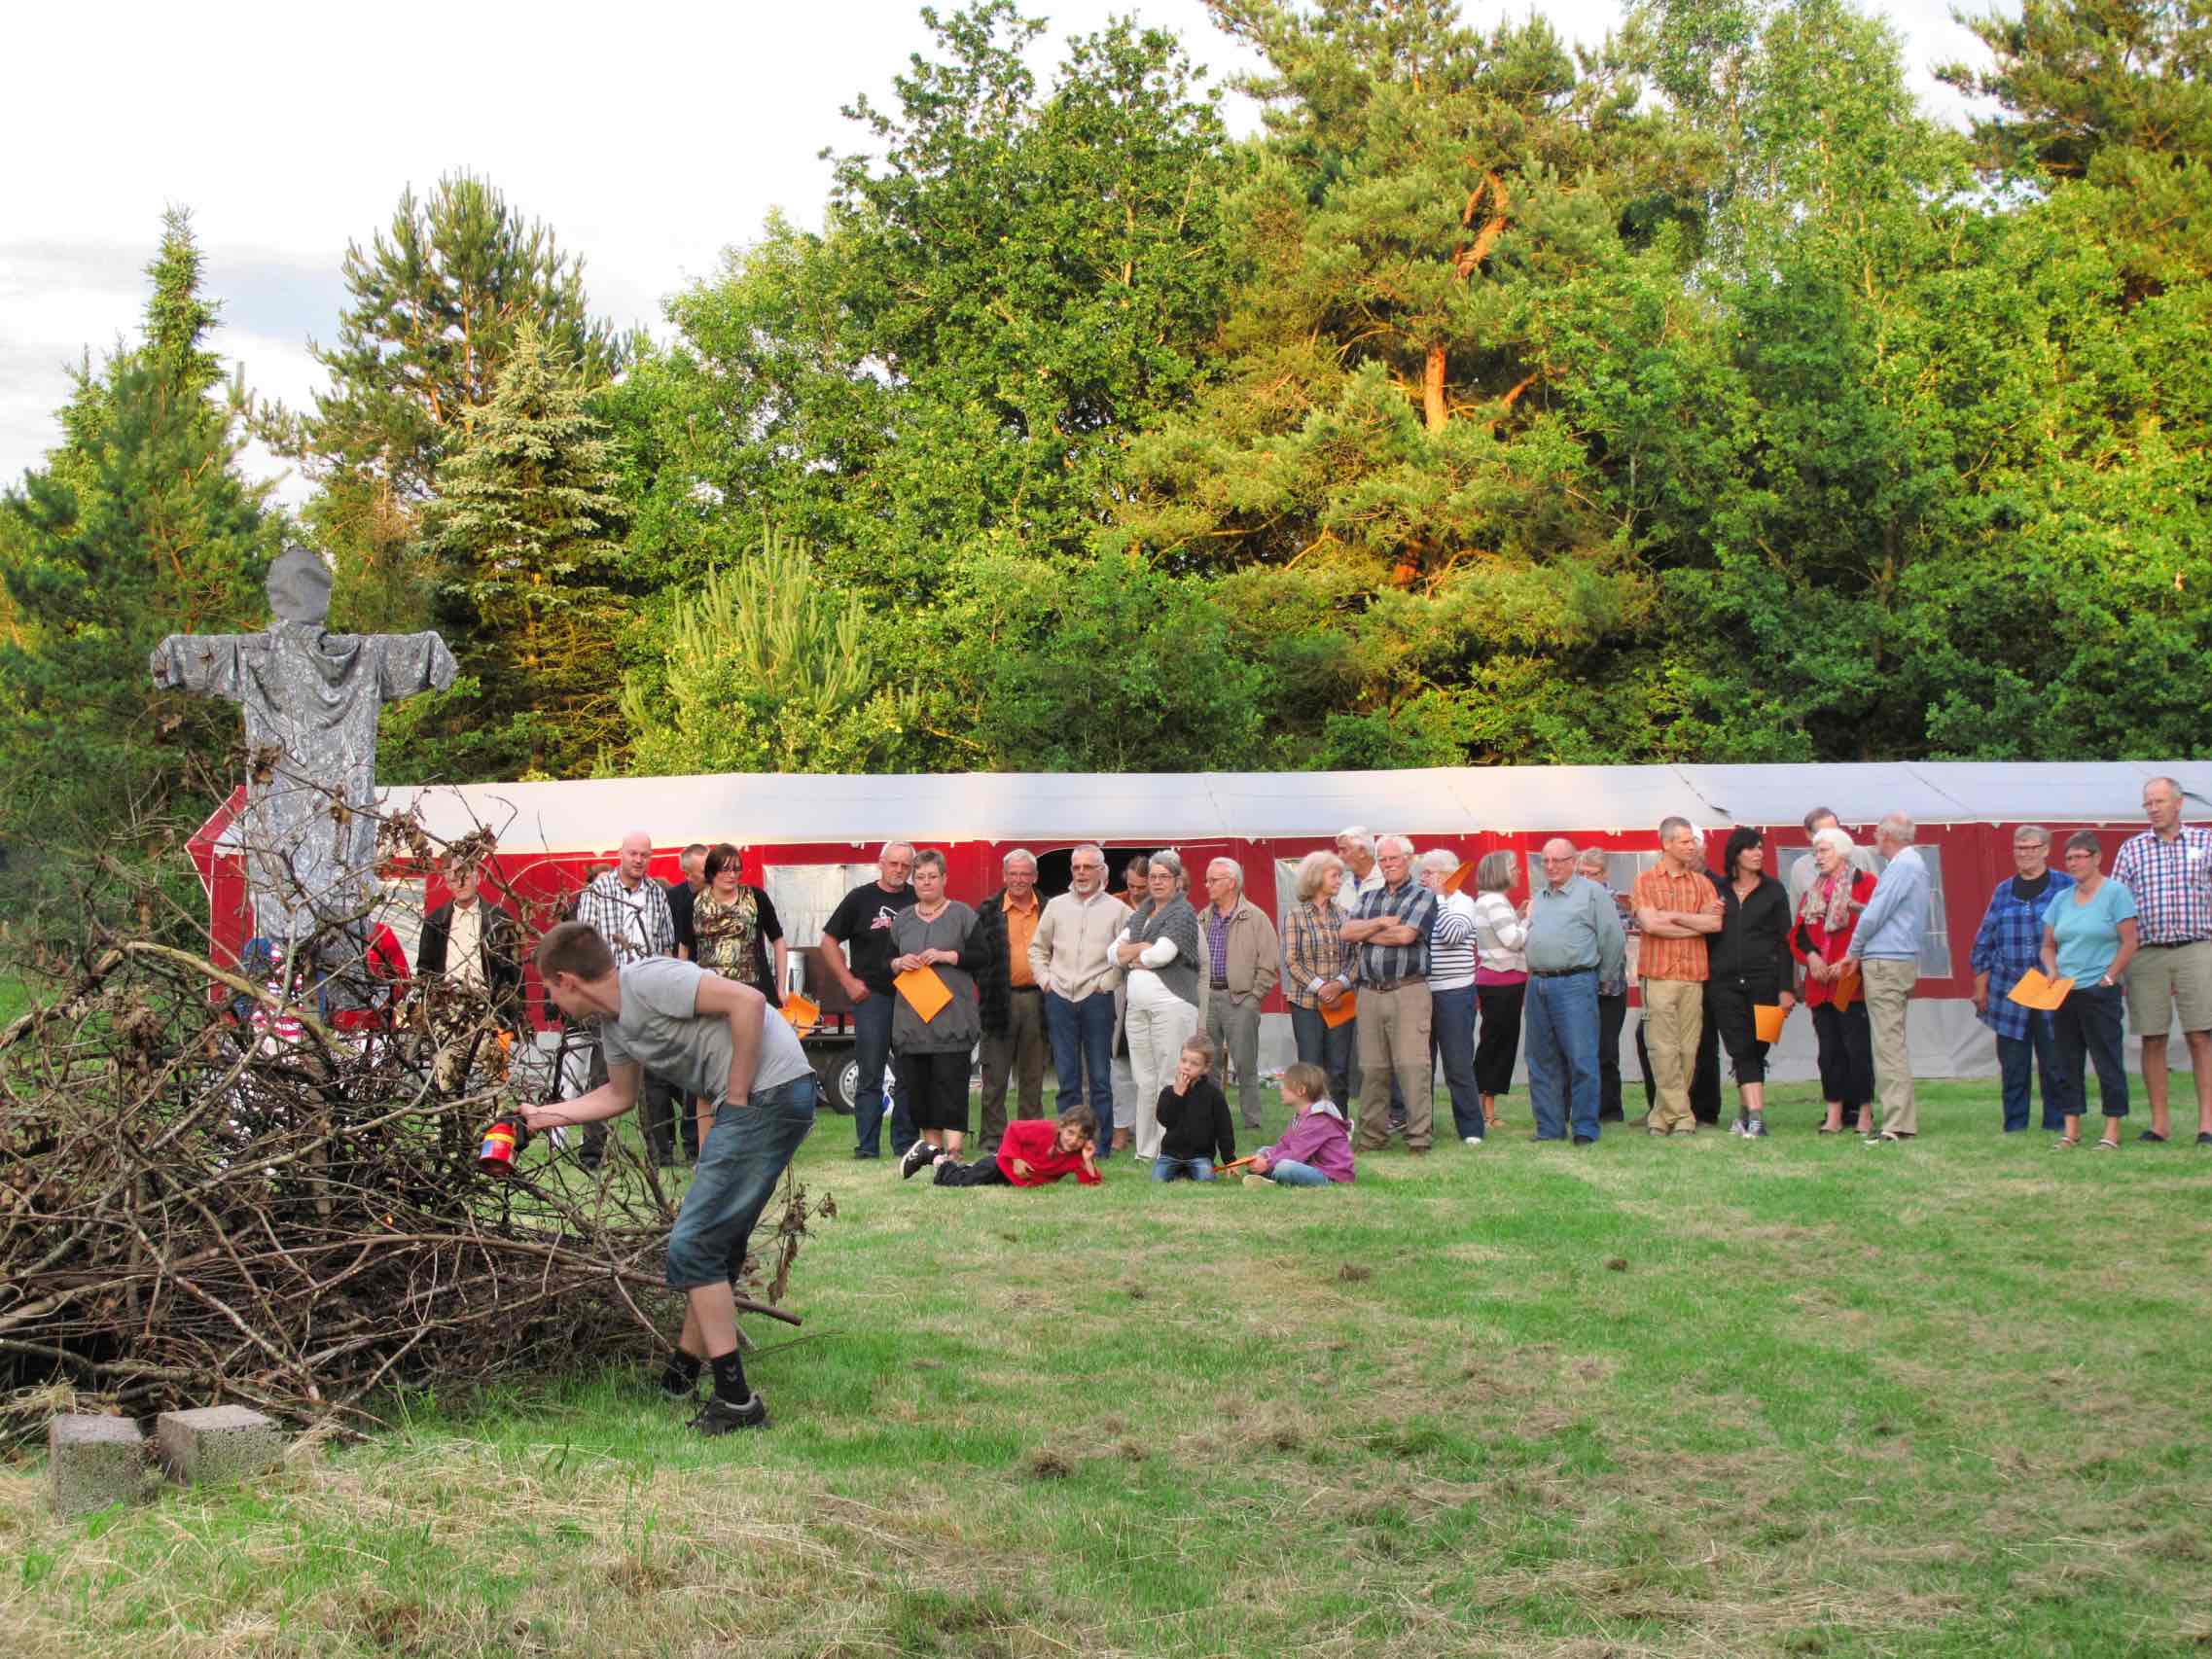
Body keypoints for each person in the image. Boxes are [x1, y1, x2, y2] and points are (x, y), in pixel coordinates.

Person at [523, 920, 817, 1435]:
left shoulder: (648, 982)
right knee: (716, 1244)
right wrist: (545, 1115)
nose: (552, 1000)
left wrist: (740, 1097)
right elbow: (618, 1097)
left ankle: (736, 1402)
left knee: (693, 1243)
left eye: (549, 987)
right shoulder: (614, 1027)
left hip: (770, 1091)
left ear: (568, 979)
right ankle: (680, 1377)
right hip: (760, 1098)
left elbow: (748, 1002)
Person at [2110, 776, 2212, 1147]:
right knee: (2152, 1037)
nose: (2153, 809)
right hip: (2147, 953)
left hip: (2197, 947)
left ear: (2179, 803)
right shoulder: (2132, 849)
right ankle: (2160, 1125)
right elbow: (2116, 905)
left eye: (2159, 802)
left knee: (2201, 1035)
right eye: (2148, 803)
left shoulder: (2206, 841)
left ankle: (2207, 1125)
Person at [573, 830, 681, 1170]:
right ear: (621, 854)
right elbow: (582, 944)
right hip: (609, 993)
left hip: (648, 994)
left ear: (651, 858)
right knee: (602, 1074)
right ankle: (592, 1153)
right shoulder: (597, 892)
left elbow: (666, 946)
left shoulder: (657, 896)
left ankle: (660, 1152)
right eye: (633, 853)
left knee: (656, 1078)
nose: (638, 860)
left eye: (645, 855)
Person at [1521, 839, 1625, 1146]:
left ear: (1573, 861)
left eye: (1558, 860)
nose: (1551, 867)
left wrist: (1601, 979)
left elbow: (1613, 939)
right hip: (1537, 982)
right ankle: (1549, 1128)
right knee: (1540, 1059)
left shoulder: (1592, 893)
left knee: (1581, 1058)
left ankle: (1584, 1128)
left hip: (1576, 981)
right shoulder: (1539, 897)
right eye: (1546, 861)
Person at [2041, 831, 2140, 1150]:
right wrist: (2052, 969)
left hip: (2099, 990)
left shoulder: (2115, 894)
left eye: (2080, 856)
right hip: (2065, 990)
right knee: (2066, 1061)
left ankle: (2112, 1128)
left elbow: (2129, 941)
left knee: (2106, 1058)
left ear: (2097, 858)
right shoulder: (2061, 899)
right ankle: (2071, 1129)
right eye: (2069, 858)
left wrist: (2110, 977)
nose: (2074, 863)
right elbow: (2048, 944)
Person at [887, 850, 985, 1170]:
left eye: (932, 876)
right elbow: (882, 963)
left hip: (952, 1017)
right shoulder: (901, 920)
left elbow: (984, 955)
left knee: (951, 1084)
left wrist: (946, 956)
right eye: (920, 877)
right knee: (920, 1087)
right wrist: (899, 962)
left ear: (944, 879)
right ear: (913, 882)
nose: (926, 882)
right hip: (912, 1020)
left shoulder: (963, 915)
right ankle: (932, 1149)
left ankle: (954, 1151)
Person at [1969, 827, 2071, 1134]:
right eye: (2019, 848)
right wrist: (1981, 985)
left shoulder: (2064, 887)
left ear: (2045, 850)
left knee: (2054, 1060)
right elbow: (1984, 940)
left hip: (2050, 986)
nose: (2024, 854)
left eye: (2030, 848)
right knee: (2013, 1063)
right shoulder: (2003, 890)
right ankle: (2015, 1124)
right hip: (2008, 988)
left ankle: (2055, 1122)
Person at [1340, 834, 1438, 1153]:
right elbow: (1346, 932)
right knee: (1371, 1068)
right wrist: (1382, 924)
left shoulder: (1424, 895)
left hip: (1407, 990)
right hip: (1369, 992)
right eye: (1383, 860)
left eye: (1394, 859)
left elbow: (1407, 935)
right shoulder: (1369, 897)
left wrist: (1367, 932)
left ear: (1408, 860)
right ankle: (1372, 1138)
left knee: (1412, 1066)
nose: (1388, 864)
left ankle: (1419, 1139)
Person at [821, 842, 917, 1161]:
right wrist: (848, 981)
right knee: (870, 1073)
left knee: (909, 1072)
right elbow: (828, 941)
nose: (899, 870)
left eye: (905, 865)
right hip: (873, 996)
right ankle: (867, 1146)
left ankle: (904, 1144)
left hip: (912, 996)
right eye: (893, 863)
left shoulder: (919, 899)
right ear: (881, 863)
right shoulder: (861, 899)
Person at [1030, 843, 1126, 1153]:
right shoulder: (1056, 906)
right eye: (1076, 867)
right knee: (1067, 1078)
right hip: (1059, 997)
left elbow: (1126, 955)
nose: (1082, 873)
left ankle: (1099, 1146)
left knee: (1099, 1078)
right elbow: (1037, 949)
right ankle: (1066, 1142)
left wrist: (1107, 983)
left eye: (1088, 867)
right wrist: (1045, 981)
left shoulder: (1118, 910)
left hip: (1096, 998)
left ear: (1101, 871)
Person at [1843, 812, 1933, 1145]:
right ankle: (1899, 1118)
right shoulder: (1914, 865)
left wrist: (1853, 950)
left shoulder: (1902, 866)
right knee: (1890, 1040)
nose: (1874, 839)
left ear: (1887, 837)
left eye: (1878, 834)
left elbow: (1876, 915)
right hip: (1901, 958)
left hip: (1886, 961)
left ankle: (1897, 1123)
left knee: (1887, 1044)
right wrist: (1860, 908)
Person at [1633, 817, 1724, 1138]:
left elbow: (1714, 925)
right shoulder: (1645, 881)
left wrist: (1673, 917)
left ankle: (1661, 1116)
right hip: (1658, 974)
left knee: (1688, 1049)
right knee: (1662, 1048)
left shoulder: (1703, 884)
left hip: (1693, 975)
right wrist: (1691, 926)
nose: (1692, 846)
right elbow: (1650, 925)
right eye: (1685, 841)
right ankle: (1682, 1116)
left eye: (1693, 841)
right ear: (1667, 844)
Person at [1112, 849, 1201, 1161]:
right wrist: (1139, 949)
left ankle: (1172, 1145)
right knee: (1144, 1079)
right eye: (1153, 877)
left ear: (1177, 881)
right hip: (1138, 1009)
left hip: (1172, 1006)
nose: (1157, 882)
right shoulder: (1141, 913)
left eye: (1164, 877)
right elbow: (1113, 954)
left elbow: (1160, 955)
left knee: (1170, 1076)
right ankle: (1146, 1150)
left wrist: (1133, 954)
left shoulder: (1182, 914)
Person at [1704, 828, 1795, 1139]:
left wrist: (1787, 988)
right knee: (1740, 1049)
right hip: (1724, 984)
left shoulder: (1775, 890)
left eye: (1760, 848)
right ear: (1736, 854)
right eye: (1751, 848)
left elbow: (1787, 942)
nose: (1758, 853)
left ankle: (1743, 1114)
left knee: (1759, 1048)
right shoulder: (1719, 890)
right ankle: (1757, 1119)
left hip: (1768, 983)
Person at [1791, 827, 1879, 1135]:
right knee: (1828, 1052)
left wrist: (1850, 959)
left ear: (1842, 851)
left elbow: (1876, 926)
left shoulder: (1866, 884)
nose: (1818, 857)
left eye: (1824, 851)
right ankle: (1833, 1114)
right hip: (1820, 984)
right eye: (1816, 851)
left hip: (1850, 981)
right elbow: (1798, 933)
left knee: (1857, 1049)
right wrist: (1812, 958)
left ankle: (1865, 1113)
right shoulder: (1813, 890)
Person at [1199, 857, 1281, 1134]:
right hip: (1209, 998)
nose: (1207, 885)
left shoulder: (1255, 917)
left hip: (1241, 999)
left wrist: (1254, 997)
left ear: (1231, 883)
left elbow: (1270, 962)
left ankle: (1252, 1122)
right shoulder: (1203, 916)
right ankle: (1210, 1118)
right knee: (1207, 1063)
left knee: (1245, 1063)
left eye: (1213, 880)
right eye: (1207, 880)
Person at [975, 849, 1048, 1155]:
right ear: (1004, 876)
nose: (1019, 879)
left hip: (1038, 1000)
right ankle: (993, 1140)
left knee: (1033, 1077)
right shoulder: (988, 910)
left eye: (1025, 873)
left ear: (1034, 876)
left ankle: (1030, 1139)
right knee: (995, 1077)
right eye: (1013, 873)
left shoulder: (1048, 908)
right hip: (998, 1001)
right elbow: (977, 956)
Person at [1281, 850, 1357, 1110]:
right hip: (1306, 1004)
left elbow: (1357, 958)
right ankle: (1309, 1124)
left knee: (1338, 1069)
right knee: (1311, 1068)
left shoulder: (1346, 914)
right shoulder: (1295, 915)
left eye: (1341, 876)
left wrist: (1340, 984)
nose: (1339, 881)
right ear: (1316, 878)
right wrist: (1321, 987)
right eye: (1334, 875)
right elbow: (1291, 960)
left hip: (1341, 1003)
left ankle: (1338, 1126)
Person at [417, 853, 524, 1034]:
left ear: (477, 877)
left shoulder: (499, 920)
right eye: (453, 880)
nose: (459, 885)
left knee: (486, 1061)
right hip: (447, 1012)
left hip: (490, 1011)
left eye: (464, 878)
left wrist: (515, 1019)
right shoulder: (435, 922)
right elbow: (425, 970)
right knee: (445, 1062)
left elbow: (515, 972)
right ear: (446, 883)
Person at [1417, 849, 1483, 1146]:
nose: (1422, 878)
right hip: (1421, 992)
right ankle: (1421, 1126)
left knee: (1457, 1063)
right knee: (1421, 1064)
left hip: (1455, 993)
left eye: (1428, 872)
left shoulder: (1464, 903)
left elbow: (1451, 935)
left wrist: (1440, 898)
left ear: (1444, 876)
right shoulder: (1419, 902)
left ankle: (1471, 1129)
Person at [1470, 851, 1528, 1132]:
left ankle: (1485, 1109)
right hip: (1503, 981)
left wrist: (1516, 917)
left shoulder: (1488, 901)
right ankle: (1486, 1112)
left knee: (1494, 1044)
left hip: (1498, 981)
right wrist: (1530, 919)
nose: (1518, 872)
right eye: (1514, 868)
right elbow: (1514, 941)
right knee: (1497, 1047)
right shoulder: (1495, 902)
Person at [910, 1104, 1100, 1187]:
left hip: (1013, 1181)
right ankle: (932, 1155)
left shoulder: (1076, 1156)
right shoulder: (1045, 1129)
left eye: (1081, 1137)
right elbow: (1013, 1129)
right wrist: (1016, 1159)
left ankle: (952, 1163)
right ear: (1061, 1127)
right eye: (1070, 1133)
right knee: (959, 1181)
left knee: (971, 1176)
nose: (1074, 1140)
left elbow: (1091, 1183)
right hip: (1000, 1165)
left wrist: (1088, 1160)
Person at [1576, 850, 1631, 1123]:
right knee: (1578, 1050)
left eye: (1592, 873)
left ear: (1605, 874)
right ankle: (1582, 1107)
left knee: (1606, 1051)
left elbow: (1616, 939)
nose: (1586, 879)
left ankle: (1610, 1109)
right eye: (1582, 873)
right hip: (1579, 987)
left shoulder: (1615, 901)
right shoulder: (1572, 899)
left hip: (1610, 988)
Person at [1241, 1061, 1353, 1186]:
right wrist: (1265, 1157)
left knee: (1285, 1167)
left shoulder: (1319, 1118)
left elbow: (1296, 1154)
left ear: (1301, 1090)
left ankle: (1272, 1178)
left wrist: (1267, 1163)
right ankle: (1270, 1177)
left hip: (1330, 1175)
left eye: (1285, 1085)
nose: (1281, 1089)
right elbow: (1285, 1144)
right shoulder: (1300, 1116)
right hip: (1310, 1164)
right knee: (1263, 1151)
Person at [1154, 1034, 1235, 1182]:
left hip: (1200, 1156)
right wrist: (1177, 1096)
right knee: (1157, 1180)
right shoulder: (1168, 1092)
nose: (1187, 1066)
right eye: (1184, 1060)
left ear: (1206, 1068)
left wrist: (1229, 1160)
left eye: (1194, 1064)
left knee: (1206, 1179)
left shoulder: (1214, 1095)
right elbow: (1165, 1121)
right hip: (1170, 1155)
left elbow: (1224, 1129)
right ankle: (1182, 1173)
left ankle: (1187, 1173)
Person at [666, 843, 709, 964]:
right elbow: (673, 942)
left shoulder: (723, 893)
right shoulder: (672, 898)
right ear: (687, 874)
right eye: (704, 871)